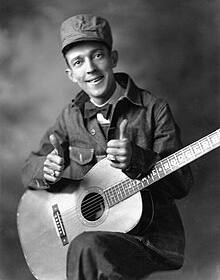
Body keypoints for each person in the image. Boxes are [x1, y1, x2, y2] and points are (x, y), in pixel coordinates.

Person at [22, 14, 194, 280]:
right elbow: (29, 169)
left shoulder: (153, 109)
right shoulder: (71, 117)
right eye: (78, 62)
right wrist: (46, 170)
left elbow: (182, 184)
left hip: (147, 241)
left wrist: (137, 158)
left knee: (87, 247)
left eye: (97, 56)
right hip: (91, 243)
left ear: (112, 59)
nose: (90, 68)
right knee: (87, 247)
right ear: (71, 74)